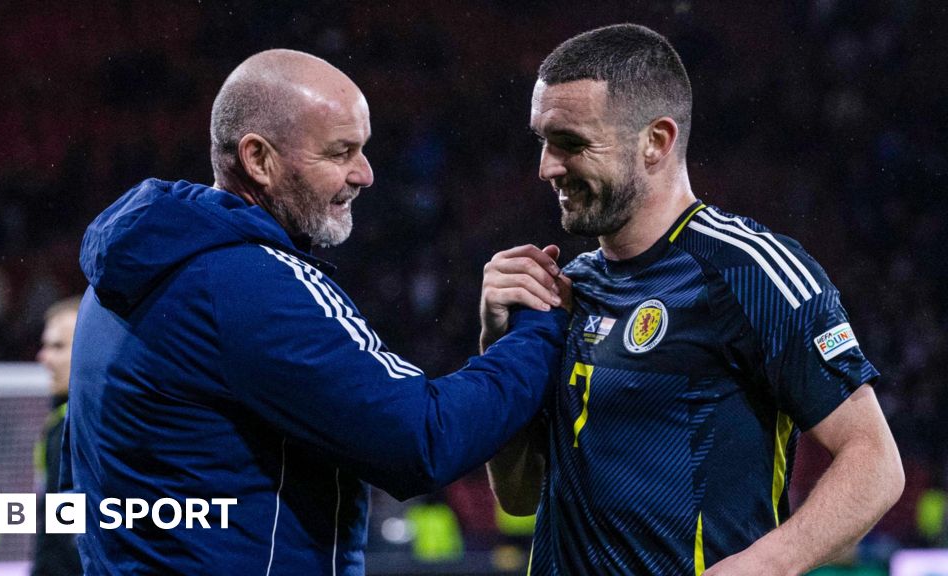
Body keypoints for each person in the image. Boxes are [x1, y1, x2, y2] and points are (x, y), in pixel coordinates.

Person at [61, 49, 567, 575]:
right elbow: (423, 439)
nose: (365, 174)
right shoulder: (249, 284)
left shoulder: (123, 276)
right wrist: (539, 327)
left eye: (363, 149)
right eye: (340, 152)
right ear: (258, 160)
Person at [482, 24, 904, 575]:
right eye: (543, 140)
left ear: (656, 141)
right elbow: (520, 495)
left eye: (572, 144)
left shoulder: (748, 272)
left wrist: (768, 564)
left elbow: (875, 461)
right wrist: (495, 347)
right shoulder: (568, 288)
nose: (546, 167)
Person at [32, 296, 83, 576]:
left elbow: (67, 533)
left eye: (58, 346)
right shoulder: (62, 419)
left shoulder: (76, 427)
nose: (43, 356)